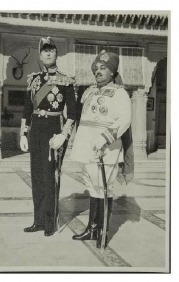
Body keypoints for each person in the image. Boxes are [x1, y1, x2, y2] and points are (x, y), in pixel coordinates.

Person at [70, 50, 134, 248]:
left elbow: (124, 120)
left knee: (104, 188)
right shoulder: (90, 91)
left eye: (103, 68)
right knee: (92, 187)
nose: (98, 71)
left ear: (112, 72)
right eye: (96, 68)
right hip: (86, 147)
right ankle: (92, 228)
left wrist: (105, 138)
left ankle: (103, 232)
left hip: (105, 148)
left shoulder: (119, 93)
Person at [20, 36, 76, 236]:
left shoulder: (65, 80)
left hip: (54, 130)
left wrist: (64, 134)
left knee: (50, 177)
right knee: (37, 177)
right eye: (45, 50)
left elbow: (74, 113)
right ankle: (38, 221)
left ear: (56, 53)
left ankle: (50, 223)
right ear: (40, 54)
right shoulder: (33, 79)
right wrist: (24, 134)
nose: (48, 53)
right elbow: (27, 110)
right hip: (36, 131)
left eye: (52, 50)